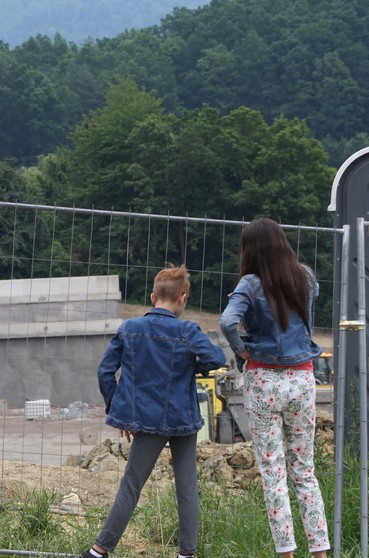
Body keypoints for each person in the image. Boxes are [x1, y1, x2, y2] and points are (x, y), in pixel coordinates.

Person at [76, 264, 225, 558]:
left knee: (131, 486)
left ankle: (99, 551)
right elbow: (216, 357)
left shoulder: (130, 329)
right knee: (187, 487)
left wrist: (120, 412)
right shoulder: (187, 331)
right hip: (183, 419)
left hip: (145, 420)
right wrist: (192, 366)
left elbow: (106, 372)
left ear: (152, 296)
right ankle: (186, 554)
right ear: (183, 298)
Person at [219, 218, 330, 558]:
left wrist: (243, 349)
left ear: (250, 249)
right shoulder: (306, 276)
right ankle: (321, 551)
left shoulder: (250, 284)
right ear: (282, 243)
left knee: (273, 472)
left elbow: (226, 322)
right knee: (304, 471)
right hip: (301, 379)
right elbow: (310, 298)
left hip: (264, 380)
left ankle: (286, 552)